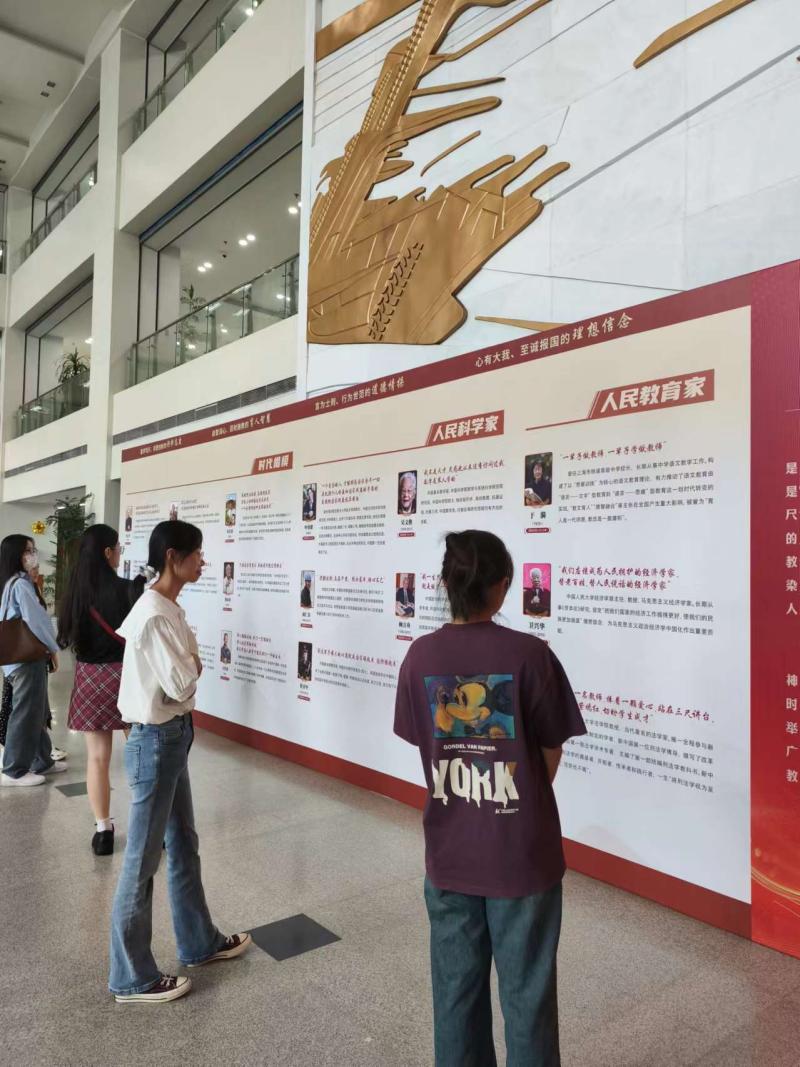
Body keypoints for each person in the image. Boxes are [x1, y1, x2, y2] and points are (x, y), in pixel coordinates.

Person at [394, 530, 585, 1066]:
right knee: (528, 1001)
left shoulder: (419, 656)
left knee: (455, 998)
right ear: (502, 586)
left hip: (449, 853)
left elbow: (426, 745)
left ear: (445, 584)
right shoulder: (531, 655)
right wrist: (514, 790)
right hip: (521, 854)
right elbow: (549, 751)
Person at [108, 520, 250, 1004]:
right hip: (156, 739)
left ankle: (198, 941)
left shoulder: (167, 608)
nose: (203, 561)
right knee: (142, 860)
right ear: (173, 556)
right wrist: (193, 663)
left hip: (172, 735)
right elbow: (183, 681)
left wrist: (191, 664)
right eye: (197, 553)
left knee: (183, 842)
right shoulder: (153, 614)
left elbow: (187, 674)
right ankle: (131, 976)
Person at [57, 524, 144, 855]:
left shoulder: (76, 593)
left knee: (97, 758)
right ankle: (152, 825)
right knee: (139, 753)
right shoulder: (127, 590)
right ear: (107, 552)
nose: (120, 552)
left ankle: (103, 830)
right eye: (118, 547)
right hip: (125, 677)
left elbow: (67, 637)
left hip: (90, 679)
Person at [0, 535, 65, 787]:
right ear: (16, 555)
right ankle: (13, 770)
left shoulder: (11, 583)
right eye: (28, 550)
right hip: (27, 659)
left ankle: (42, 761)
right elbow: (37, 622)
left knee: (35, 710)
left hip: (17, 659)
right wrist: (53, 649)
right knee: (26, 712)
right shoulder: (20, 585)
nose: (33, 554)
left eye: (33, 549)